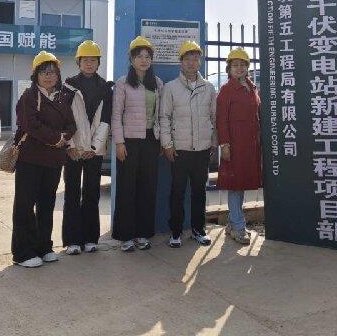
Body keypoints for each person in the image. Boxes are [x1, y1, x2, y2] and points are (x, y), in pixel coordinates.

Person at [11, 51, 75, 268]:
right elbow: (30, 125)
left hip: (53, 161)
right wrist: (56, 138)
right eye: (44, 72)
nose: (49, 76)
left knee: (47, 204)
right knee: (25, 205)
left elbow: (71, 124)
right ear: (36, 75)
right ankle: (23, 253)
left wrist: (65, 136)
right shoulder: (29, 97)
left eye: (53, 72)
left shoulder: (62, 97)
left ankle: (44, 247)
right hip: (30, 159)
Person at [160, 40, 217, 248]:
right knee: (177, 192)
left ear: (199, 62)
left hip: (202, 150)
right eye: (187, 59)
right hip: (180, 150)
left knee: (199, 192)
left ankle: (198, 230)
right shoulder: (171, 88)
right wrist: (167, 144)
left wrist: (213, 143)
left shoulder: (208, 87)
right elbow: (164, 117)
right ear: (181, 62)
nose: (191, 62)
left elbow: (214, 117)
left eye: (195, 58)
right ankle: (175, 232)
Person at [111, 36, 163, 252]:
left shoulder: (157, 83)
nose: (143, 60)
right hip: (129, 142)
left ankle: (142, 234)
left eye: (147, 56)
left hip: (151, 140)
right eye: (139, 56)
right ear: (131, 59)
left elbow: (160, 115)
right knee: (127, 188)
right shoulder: (123, 83)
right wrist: (119, 143)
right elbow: (116, 115)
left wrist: (162, 141)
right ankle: (125, 236)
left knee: (147, 187)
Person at [61, 40, 113, 255]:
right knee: (72, 193)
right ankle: (72, 241)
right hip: (73, 150)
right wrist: (70, 146)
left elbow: (106, 120)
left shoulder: (105, 87)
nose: (89, 63)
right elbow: (64, 118)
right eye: (85, 60)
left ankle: (91, 239)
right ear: (78, 62)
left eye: (93, 60)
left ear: (98, 63)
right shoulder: (68, 86)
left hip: (94, 151)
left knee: (92, 194)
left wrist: (95, 147)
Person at [215, 47, 261, 245]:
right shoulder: (226, 90)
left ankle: (233, 223)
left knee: (240, 185)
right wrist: (224, 144)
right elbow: (221, 119)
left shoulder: (252, 87)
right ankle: (238, 227)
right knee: (235, 185)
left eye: (243, 65)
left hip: (249, 145)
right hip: (234, 145)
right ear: (229, 68)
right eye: (235, 65)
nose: (239, 68)